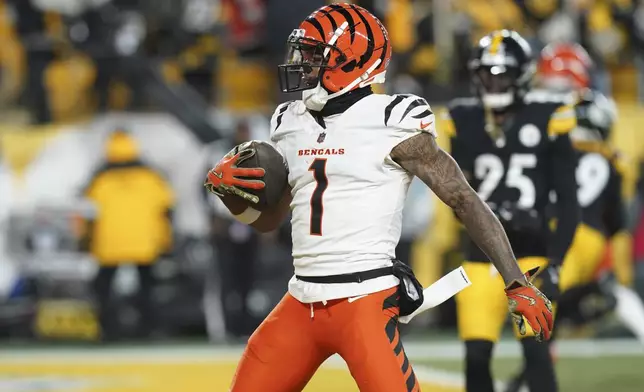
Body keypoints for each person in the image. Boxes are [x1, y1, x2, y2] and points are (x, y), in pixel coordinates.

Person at [205, 5, 554, 392]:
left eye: (315, 54)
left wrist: (516, 282)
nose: (303, 64)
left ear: (350, 58)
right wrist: (234, 197)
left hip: (364, 299)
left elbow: (463, 200)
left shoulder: (393, 119)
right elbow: (270, 221)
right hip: (300, 299)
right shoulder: (290, 121)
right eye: (303, 53)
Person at [444, 30, 581, 392]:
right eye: (486, 73)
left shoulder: (549, 115)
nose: (492, 82)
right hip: (478, 258)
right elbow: (457, 194)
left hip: (531, 257)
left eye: (501, 73)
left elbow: (568, 200)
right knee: (475, 359)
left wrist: (557, 261)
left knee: (536, 357)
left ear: (520, 74)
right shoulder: (463, 118)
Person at [505, 42, 644, 392]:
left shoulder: (550, 145)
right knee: (554, 314)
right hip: (589, 239)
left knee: (540, 313)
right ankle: (526, 380)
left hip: (554, 233)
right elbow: (618, 224)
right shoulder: (612, 160)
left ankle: (597, 297)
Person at [82, 129, 175, 340]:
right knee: (147, 288)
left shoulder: (100, 178)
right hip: (144, 242)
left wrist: (85, 241)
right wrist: (165, 240)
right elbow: (167, 209)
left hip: (109, 243)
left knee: (103, 287)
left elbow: (87, 212)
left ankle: (108, 330)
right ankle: (148, 329)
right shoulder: (151, 176)